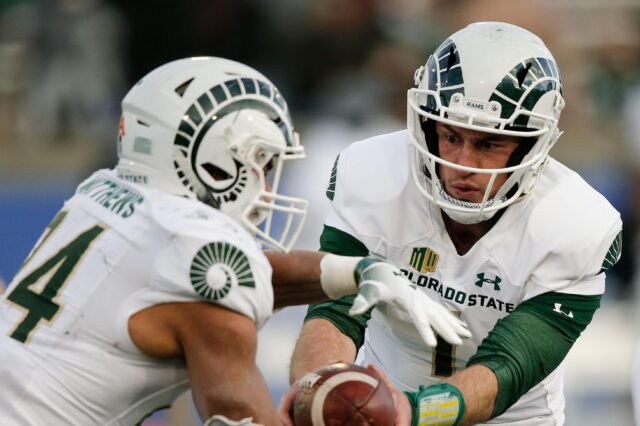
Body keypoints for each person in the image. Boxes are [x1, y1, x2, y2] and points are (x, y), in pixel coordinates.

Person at [0, 56, 469, 426]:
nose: (267, 190)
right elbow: (236, 416)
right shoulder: (196, 254)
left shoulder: (104, 194)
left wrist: (355, 271)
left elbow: (224, 276)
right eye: (261, 164)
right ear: (209, 161)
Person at [280, 22, 623, 426]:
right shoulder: (373, 174)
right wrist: (322, 388)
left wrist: (409, 411)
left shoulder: (576, 222)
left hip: (510, 419)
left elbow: (507, 367)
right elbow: (335, 313)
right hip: (380, 400)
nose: (463, 163)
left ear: (532, 144)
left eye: (489, 143)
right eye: (451, 135)